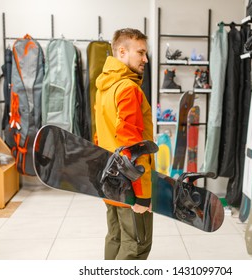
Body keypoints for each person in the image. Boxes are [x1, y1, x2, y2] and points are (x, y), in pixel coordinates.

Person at [94, 28, 154, 260]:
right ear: (122, 51)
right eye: (140, 52)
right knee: (136, 245)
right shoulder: (128, 89)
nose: (145, 59)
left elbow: (99, 137)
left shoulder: (104, 86)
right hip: (130, 186)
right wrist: (142, 195)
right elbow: (133, 147)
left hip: (109, 181)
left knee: (115, 237)